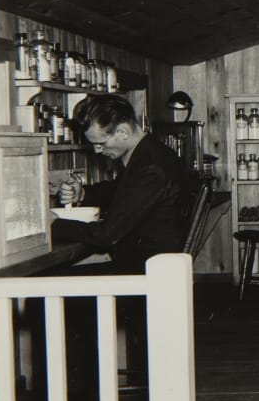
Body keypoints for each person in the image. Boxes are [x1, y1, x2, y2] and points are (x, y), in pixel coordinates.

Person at [53, 94, 186, 273]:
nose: (97, 150)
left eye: (101, 143)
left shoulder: (150, 167)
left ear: (123, 132)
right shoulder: (151, 152)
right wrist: (83, 194)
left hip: (148, 269)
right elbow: (121, 188)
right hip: (147, 260)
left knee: (43, 282)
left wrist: (54, 225)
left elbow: (108, 235)